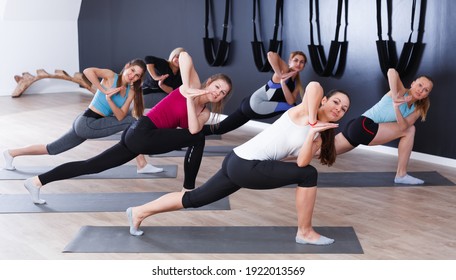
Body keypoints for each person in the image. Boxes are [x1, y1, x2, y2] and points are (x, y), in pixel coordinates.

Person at [126, 81, 350, 246]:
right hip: (245, 164)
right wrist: (312, 122)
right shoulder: (304, 112)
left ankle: (138, 212)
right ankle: (305, 231)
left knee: (194, 199)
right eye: (336, 102)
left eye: (343, 109)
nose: (338, 109)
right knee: (309, 175)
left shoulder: (319, 137)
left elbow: (301, 162)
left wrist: (312, 134)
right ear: (324, 101)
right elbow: (313, 86)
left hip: (239, 162)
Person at [22, 51, 232, 205]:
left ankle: (37, 181)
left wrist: (188, 99)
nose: (218, 93)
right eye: (217, 87)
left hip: (141, 137)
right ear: (209, 82)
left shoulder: (204, 112)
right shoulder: (192, 83)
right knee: (198, 139)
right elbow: (185, 55)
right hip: (143, 131)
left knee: (92, 165)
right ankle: (188, 190)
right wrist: (186, 87)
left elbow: (194, 129)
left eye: (222, 93)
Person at [3, 59, 163, 174]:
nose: (133, 76)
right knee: (132, 122)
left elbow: (120, 116)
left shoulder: (131, 91)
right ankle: (142, 165)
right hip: (87, 122)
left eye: (137, 76)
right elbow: (88, 71)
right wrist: (104, 89)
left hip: (89, 123)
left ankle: (11, 153)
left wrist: (109, 100)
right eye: (132, 70)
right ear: (127, 66)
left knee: (52, 148)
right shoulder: (110, 76)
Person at [334, 68, 433, 184]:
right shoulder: (400, 91)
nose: (421, 90)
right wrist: (395, 96)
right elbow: (392, 71)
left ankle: (306, 156)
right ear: (413, 83)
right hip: (364, 126)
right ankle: (401, 174)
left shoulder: (417, 109)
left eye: (425, 90)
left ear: (426, 95)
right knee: (411, 130)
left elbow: (403, 127)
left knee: (322, 152)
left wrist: (396, 107)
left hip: (358, 128)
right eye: (420, 85)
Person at [203, 50, 307, 135]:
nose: (298, 64)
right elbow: (271, 54)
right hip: (255, 104)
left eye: (302, 62)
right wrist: (279, 74)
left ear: (304, 65)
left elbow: (290, 101)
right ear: (290, 61)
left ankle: (192, 132)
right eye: (296, 60)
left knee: (221, 128)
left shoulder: (297, 84)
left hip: (249, 105)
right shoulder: (284, 70)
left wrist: (283, 83)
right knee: (295, 108)